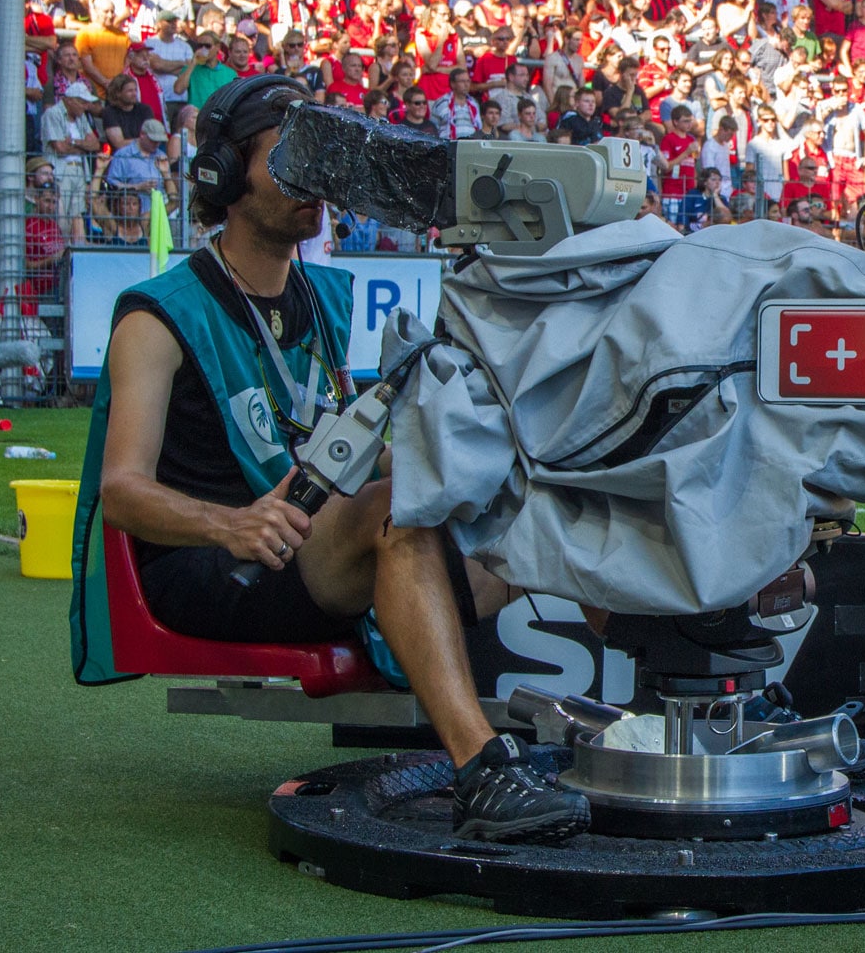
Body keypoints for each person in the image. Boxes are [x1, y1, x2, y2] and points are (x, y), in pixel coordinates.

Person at [73, 76, 591, 844]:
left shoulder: (324, 299)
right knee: (395, 514)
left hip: (306, 545)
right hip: (215, 563)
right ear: (222, 173)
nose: (315, 177)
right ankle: (482, 771)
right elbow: (120, 492)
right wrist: (230, 525)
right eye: (290, 157)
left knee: (529, 491)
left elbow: (332, 439)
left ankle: (671, 717)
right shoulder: (158, 316)